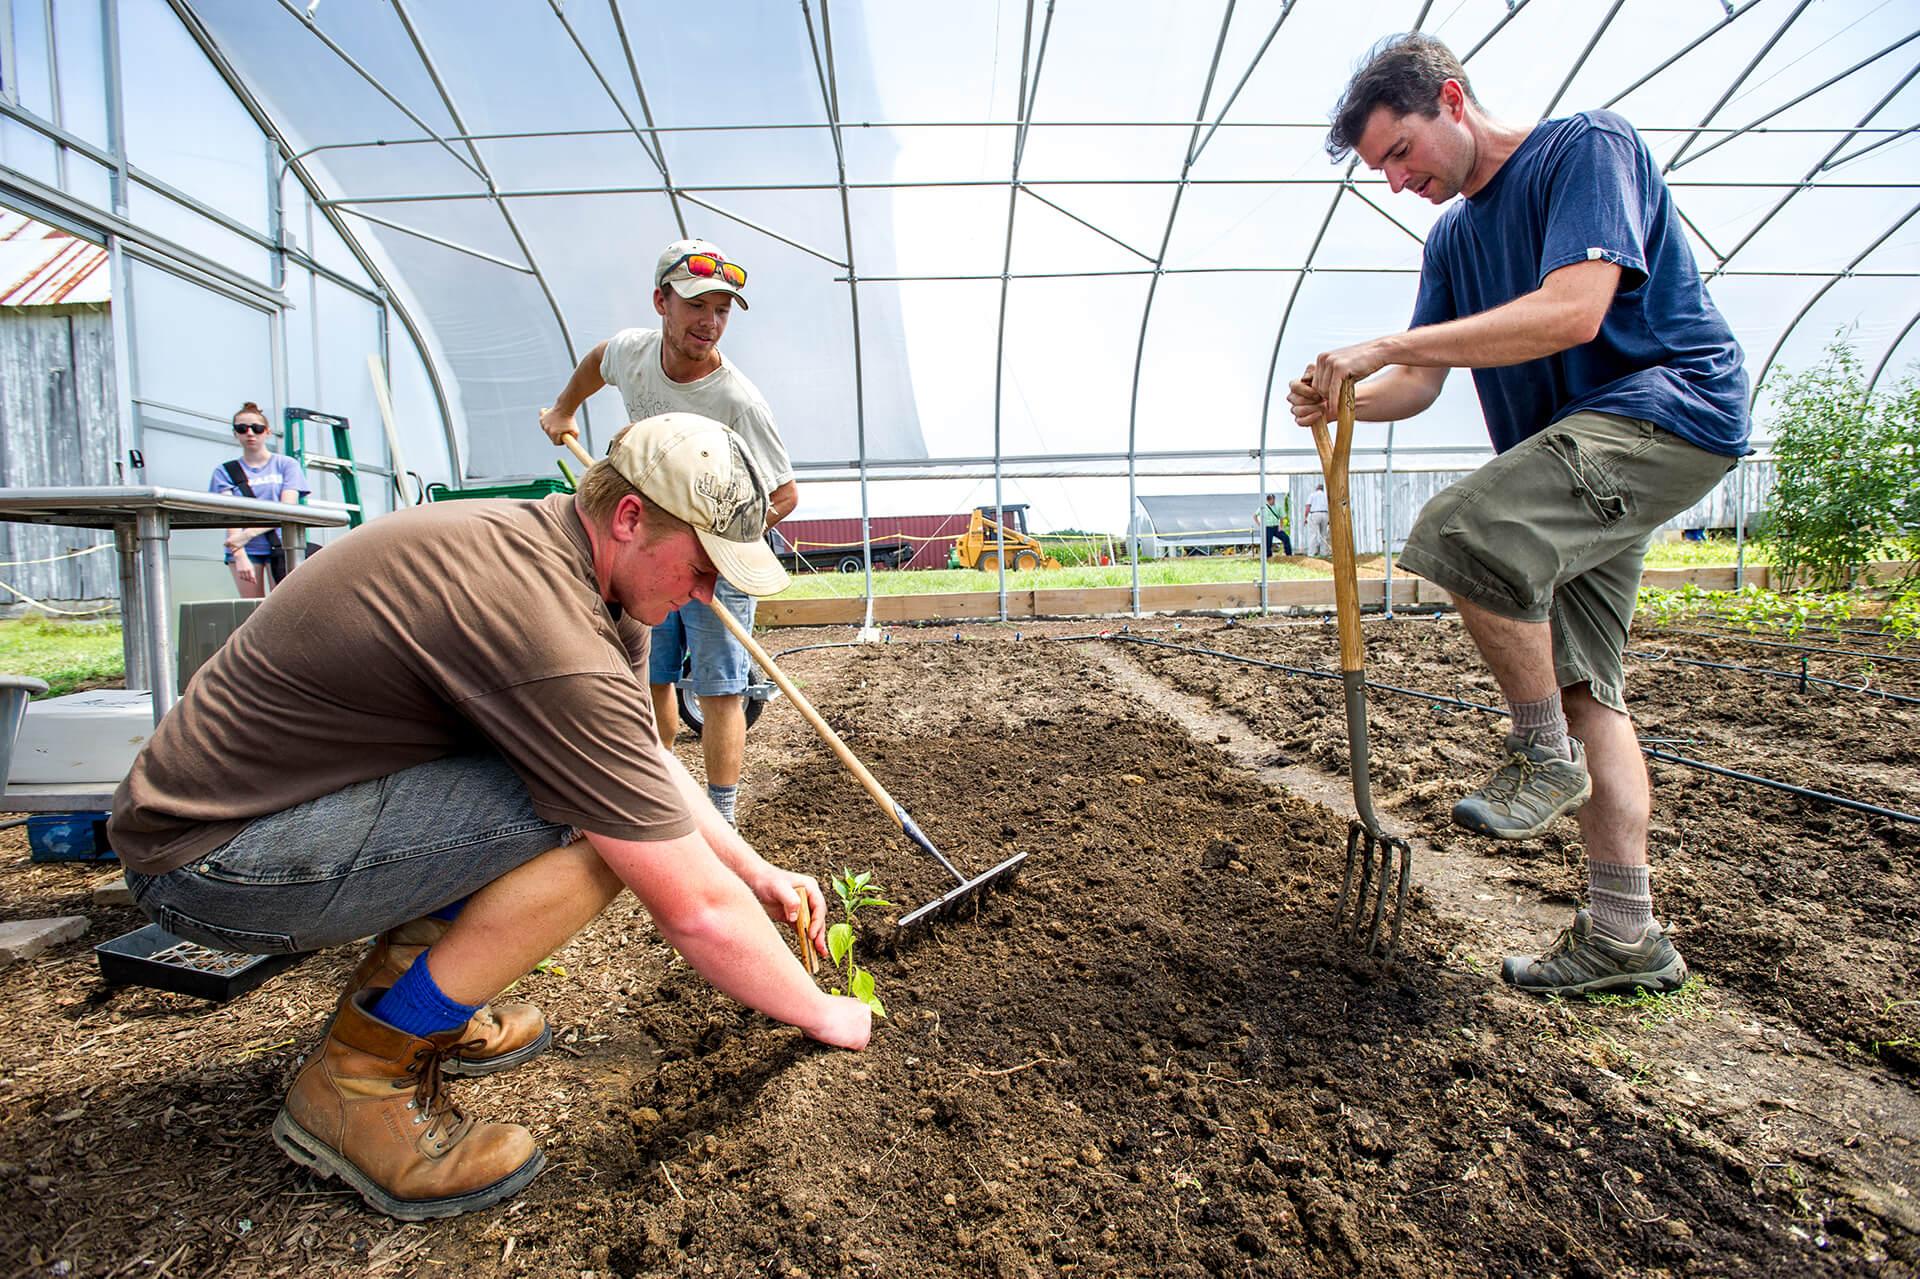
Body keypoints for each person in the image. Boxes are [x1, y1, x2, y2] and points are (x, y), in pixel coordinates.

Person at [109, 413, 870, 1222]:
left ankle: (419, 997)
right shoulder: (545, 622)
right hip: (211, 860)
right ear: (628, 518)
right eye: (702, 564)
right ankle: (365, 1074)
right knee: (592, 828)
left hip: (263, 815)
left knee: (591, 786)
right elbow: (692, 905)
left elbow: (643, 766)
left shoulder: (582, 573)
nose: (707, 593)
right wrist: (820, 1008)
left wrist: (754, 869)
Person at [1287, 34, 1748, 997]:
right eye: (1380, 169)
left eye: (1400, 152)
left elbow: (1574, 311)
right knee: (1588, 690)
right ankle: (1626, 932)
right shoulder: (1454, 237)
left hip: (1665, 411)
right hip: (1581, 448)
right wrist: (1348, 398)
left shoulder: (1584, 149)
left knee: (1463, 530)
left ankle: (1539, 755)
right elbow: (1418, 382)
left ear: (1452, 100)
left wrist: (1383, 340)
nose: (1397, 179)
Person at [540, 239, 795, 828]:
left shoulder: (735, 398)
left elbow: (784, 494)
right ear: (661, 301)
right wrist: (562, 410)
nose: (710, 322)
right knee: (653, 672)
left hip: (714, 554)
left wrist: (717, 539)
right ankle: (661, 790)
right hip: (647, 550)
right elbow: (599, 360)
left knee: (719, 683)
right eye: (697, 305)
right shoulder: (632, 353)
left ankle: (721, 815)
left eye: (723, 310)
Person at [209, 402, 309, 597]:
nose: (250, 433)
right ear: (235, 433)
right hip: (245, 549)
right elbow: (228, 514)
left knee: (282, 606)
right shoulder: (225, 471)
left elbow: (287, 508)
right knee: (252, 611)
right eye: (242, 428)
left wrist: (248, 534)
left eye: (256, 428)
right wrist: (239, 553)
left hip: (281, 545)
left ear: (267, 432)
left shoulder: (286, 465)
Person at [1302, 483, 1330, 558]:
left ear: (1317, 488)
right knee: (1323, 535)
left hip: (1315, 514)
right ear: (1322, 489)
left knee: (1313, 534)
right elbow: (1330, 506)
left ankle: (1311, 553)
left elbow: (1308, 506)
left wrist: (1305, 517)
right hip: (1325, 514)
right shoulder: (1326, 496)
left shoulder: (1312, 495)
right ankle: (1324, 553)